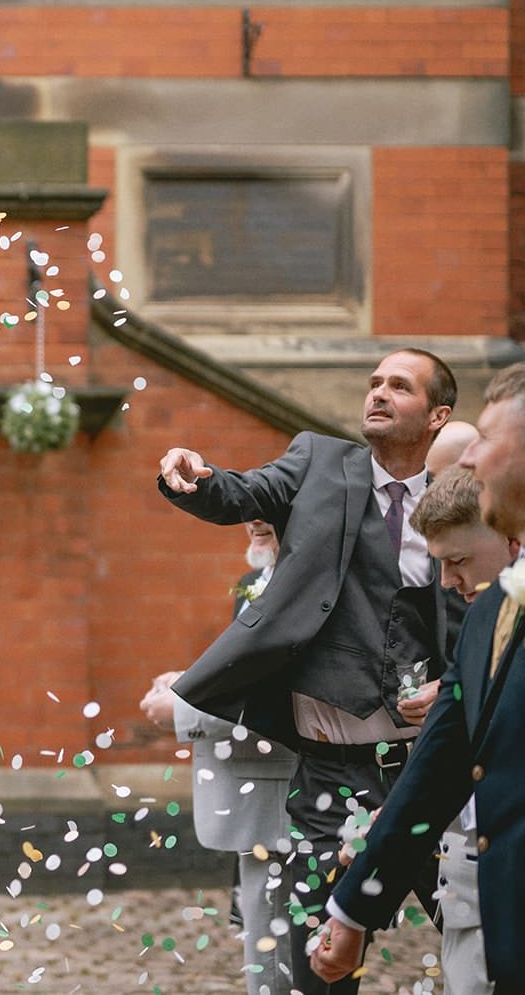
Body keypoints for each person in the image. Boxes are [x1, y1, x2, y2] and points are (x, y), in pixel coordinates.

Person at [157, 348, 462, 995]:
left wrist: (454, 685)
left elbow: (478, 604)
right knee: (319, 963)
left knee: (476, 934)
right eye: (374, 382)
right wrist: (199, 477)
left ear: (438, 414)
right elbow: (244, 491)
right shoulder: (322, 461)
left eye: (399, 387)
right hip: (331, 769)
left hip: (429, 766)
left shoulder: (460, 492)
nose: (378, 393)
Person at [314, 365, 525, 990]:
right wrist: (355, 910)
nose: (473, 458)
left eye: (488, 438)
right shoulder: (492, 609)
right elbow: (439, 767)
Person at [139, 519, 295, 995]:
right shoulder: (252, 583)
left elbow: (286, 697)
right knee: (264, 949)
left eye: (269, 502)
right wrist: (189, 681)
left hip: (292, 799)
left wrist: (184, 710)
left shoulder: (311, 587)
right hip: (250, 799)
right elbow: (245, 676)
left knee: (284, 961)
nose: (251, 519)